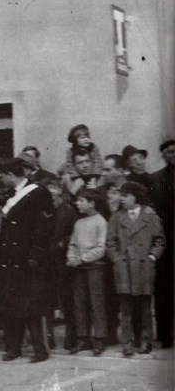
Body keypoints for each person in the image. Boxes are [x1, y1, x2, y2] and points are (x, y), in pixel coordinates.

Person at [0, 157, 54, 363]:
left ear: (11, 175)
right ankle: (13, 347)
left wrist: (36, 254)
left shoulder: (38, 193)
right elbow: (5, 231)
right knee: (10, 305)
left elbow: (43, 228)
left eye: (3, 175)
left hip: (27, 261)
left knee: (31, 306)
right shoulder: (12, 195)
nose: (0, 179)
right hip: (10, 260)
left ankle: (40, 349)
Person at [106, 181, 164, 357]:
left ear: (135, 197)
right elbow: (110, 243)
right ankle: (127, 343)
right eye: (121, 195)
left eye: (125, 196)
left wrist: (152, 257)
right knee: (126, 309)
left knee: (145, 308)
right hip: (124, 268)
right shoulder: (116, 217)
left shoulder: (150, 216)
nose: (121, 199)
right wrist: (117, 259)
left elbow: (159, 240)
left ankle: (146, 341)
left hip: (143, 267)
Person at [67, 189, 109, 356]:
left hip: (95, 268)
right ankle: (82, 337)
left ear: (91, 203)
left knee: (96, 303)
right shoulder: (78, 223)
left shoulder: (101, 222)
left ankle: (99, 338)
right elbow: (72, 243)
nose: (77, 203)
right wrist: (71, 257)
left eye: (81, 200)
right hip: (79, 269)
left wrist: (83, 258)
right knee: (80, 303)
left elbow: (101, 248)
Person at [43, 178, 78, 351]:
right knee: (47, 302)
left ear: (61, 195)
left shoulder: (68, 211)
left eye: (54, 195)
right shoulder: (43, 211)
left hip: (63, 262)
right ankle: (48, 337)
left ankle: (71, 338)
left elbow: (74, 233)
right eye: (48, 195)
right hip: (47, 263)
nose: (51, 198)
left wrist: (62, 243)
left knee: (67, 301)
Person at [150, 139, 174, 348]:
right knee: (164, 288)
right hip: (165, 240)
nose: (171, 154)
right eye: (167, 151)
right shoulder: (156, 179)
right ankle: (165, 334)